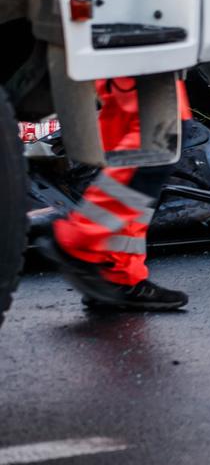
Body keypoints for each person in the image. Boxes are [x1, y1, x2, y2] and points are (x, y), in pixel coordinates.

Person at [38, 79, 191, 311]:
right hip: (145, 45)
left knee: (132, 126)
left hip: (123, 47)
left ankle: (116, 272)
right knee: (160, 134)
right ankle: (82, 241)